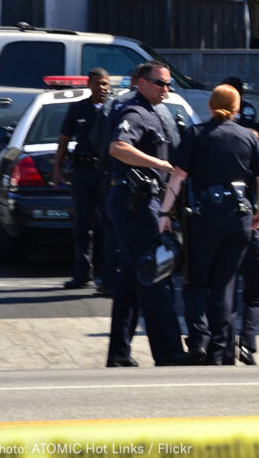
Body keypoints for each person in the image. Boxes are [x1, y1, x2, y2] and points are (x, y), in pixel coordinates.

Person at [158, 84, 259, 365]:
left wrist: (164, 213)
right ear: (236, 109)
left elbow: (178, 176)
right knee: (224, 283)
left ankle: (199, 340)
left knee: (196, 281)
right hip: (239, 217)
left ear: (209, 106)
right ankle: (219, 350)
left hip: (204, 217)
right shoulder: (248, 136)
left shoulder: (195, 134)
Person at [105, 60, 185, 367]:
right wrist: (159, 164)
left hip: (143, 200)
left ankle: (119, 353)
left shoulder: (153, 112)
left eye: (168, 84)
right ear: (141, 83)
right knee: (156, 273)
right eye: (160, 83)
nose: (166, 89)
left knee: (131, 278)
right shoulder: (135, 112)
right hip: (135, 201)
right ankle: (169, 353)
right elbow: (118, 148)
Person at [221, 76, 259, 365]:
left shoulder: (222, 145)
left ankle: (228, 348)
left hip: (228, 223)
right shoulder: (256, 152)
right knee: (254, 295)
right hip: (254, 226)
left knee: (227, 288)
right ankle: (248, 345)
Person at [54, 68, 110, 290]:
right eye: (97, 83)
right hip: (83, 172)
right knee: (83, 225)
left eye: (105, 84)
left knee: (109, 224)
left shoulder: (115, 108)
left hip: (106, 172)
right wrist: (58, 169)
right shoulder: (78, 108)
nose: (102, 87)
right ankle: (82, 274)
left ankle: (108, 276)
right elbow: (63, 140)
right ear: (89, 85)